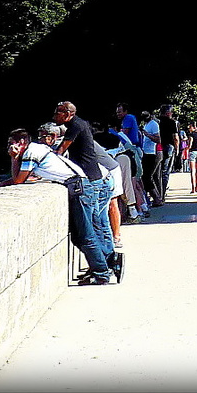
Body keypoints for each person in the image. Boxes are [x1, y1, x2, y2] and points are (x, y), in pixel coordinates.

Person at [5, 125, 114, 285]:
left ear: (21, 142)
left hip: (79, 189)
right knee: (79, 236)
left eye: (10, 143)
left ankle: (102, 273)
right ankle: (106, 264)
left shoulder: (31, 153)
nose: (8, 147)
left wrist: (14, 158)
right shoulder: (38, 149)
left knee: (85, 235)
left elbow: (18, 181)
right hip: (80, 187)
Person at [52, 101, 121, 283]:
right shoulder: (81, 123)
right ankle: (110, 262)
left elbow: (60, 151)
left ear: (67, 113)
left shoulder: (74, 125)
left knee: (85, 232)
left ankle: (101, 272)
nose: (54, 115)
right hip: (98, 178)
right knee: (98, 224)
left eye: (58, 112)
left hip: (89, 181)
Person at [140, 110, 163, 206]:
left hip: (151, 153)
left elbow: (158, 139)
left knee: (147, 177)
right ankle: (154, 197)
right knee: (150, 176)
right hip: (146, 152)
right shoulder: (147, 124)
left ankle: (157, 198)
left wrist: (147, 135)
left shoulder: (153, 124)